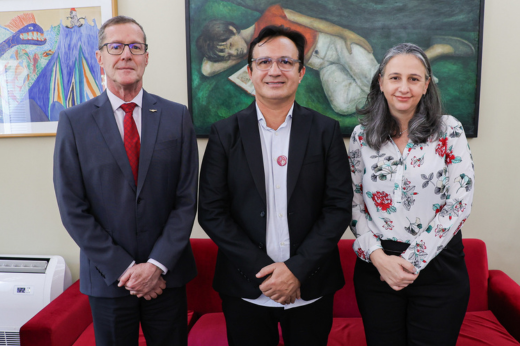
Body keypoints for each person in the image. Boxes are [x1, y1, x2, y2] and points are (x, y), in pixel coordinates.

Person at [198, 25, 352, 346]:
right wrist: (270, 274)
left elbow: (337, 208)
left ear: (300, 72)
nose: (274, 71)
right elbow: (212, 214)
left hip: (311, 286)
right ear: (250, 71)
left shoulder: (325, 131)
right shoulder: (225, 134)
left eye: (285, 62)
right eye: (264, 62)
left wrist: (296, 270)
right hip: (246, 290)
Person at [53, 16, 198, 346]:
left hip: (167, 278)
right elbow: (72, 208)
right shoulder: (74, 122)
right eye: (115, 47)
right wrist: (126, 269)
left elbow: (186, 199)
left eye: (136, 47)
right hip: (108, 280)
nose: (126, 55)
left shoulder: (177, 117)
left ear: (147, 56)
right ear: (99, 57)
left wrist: (156, 267)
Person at [348, 43, 474, 345]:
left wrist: (412, 261)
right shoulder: (361, 136)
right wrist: (379, 259)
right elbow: (353, 202)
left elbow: (459, 203)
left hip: (439, 267)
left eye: (414, 79)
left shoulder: (449, 130)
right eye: (394, 78)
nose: (403, 87)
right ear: (381, 82)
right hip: (377, 270)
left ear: (426, 84)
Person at [196, 4, 474, 115]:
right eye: (225, 53)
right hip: (323, 65)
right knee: (342, 105)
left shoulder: (271, 14)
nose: (231, 53)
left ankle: (431, 54)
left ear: (231, 29)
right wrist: (230, 53)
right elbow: (208, 69)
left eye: (228, 45)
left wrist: (346, 34)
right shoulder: (255, 51)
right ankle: (411, 72)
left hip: (336, 46)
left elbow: (312, 21)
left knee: (377, 82)